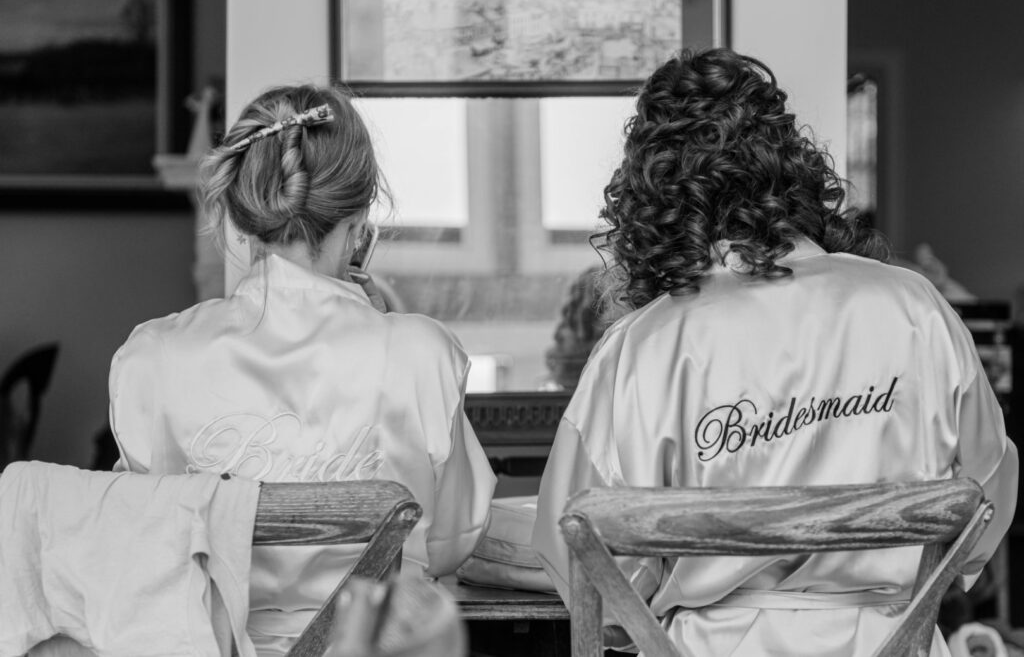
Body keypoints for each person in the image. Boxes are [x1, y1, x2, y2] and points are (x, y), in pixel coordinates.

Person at [532, 48, 1018, 657]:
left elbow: (580, 563)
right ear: (793, 169)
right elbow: (983, 508)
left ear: (655, 202)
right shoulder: (914, 308)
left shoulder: (642, 348)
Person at [108, 85, 495, 655]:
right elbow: (453, 538)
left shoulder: (151, 357)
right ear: (362, 215)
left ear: (244, 212)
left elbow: (140, 545)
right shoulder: (419, 353)